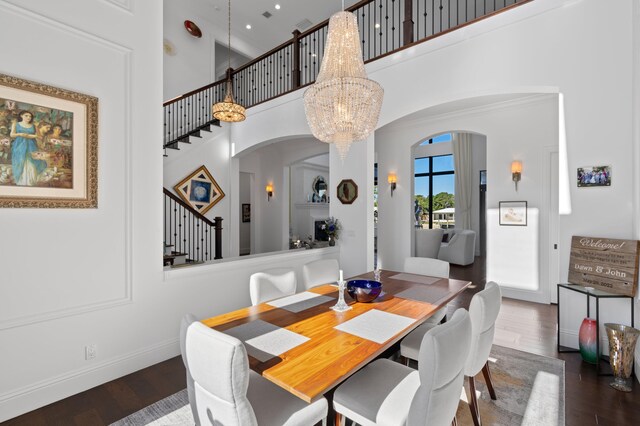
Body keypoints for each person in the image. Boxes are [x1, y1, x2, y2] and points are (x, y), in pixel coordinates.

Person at [10, 110, 46, 186]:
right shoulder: (16, 124)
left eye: (30, 116)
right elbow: (12, 134)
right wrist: (20, 134)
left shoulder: (34, 126)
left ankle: (31, 181)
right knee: (20, 161)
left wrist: (30, 136)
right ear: (21, 116)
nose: (29, 117)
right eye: (26, 115)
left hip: (31, 145)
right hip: (19, 145)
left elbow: (39, 136)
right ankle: (21, 181)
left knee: (32, 161)